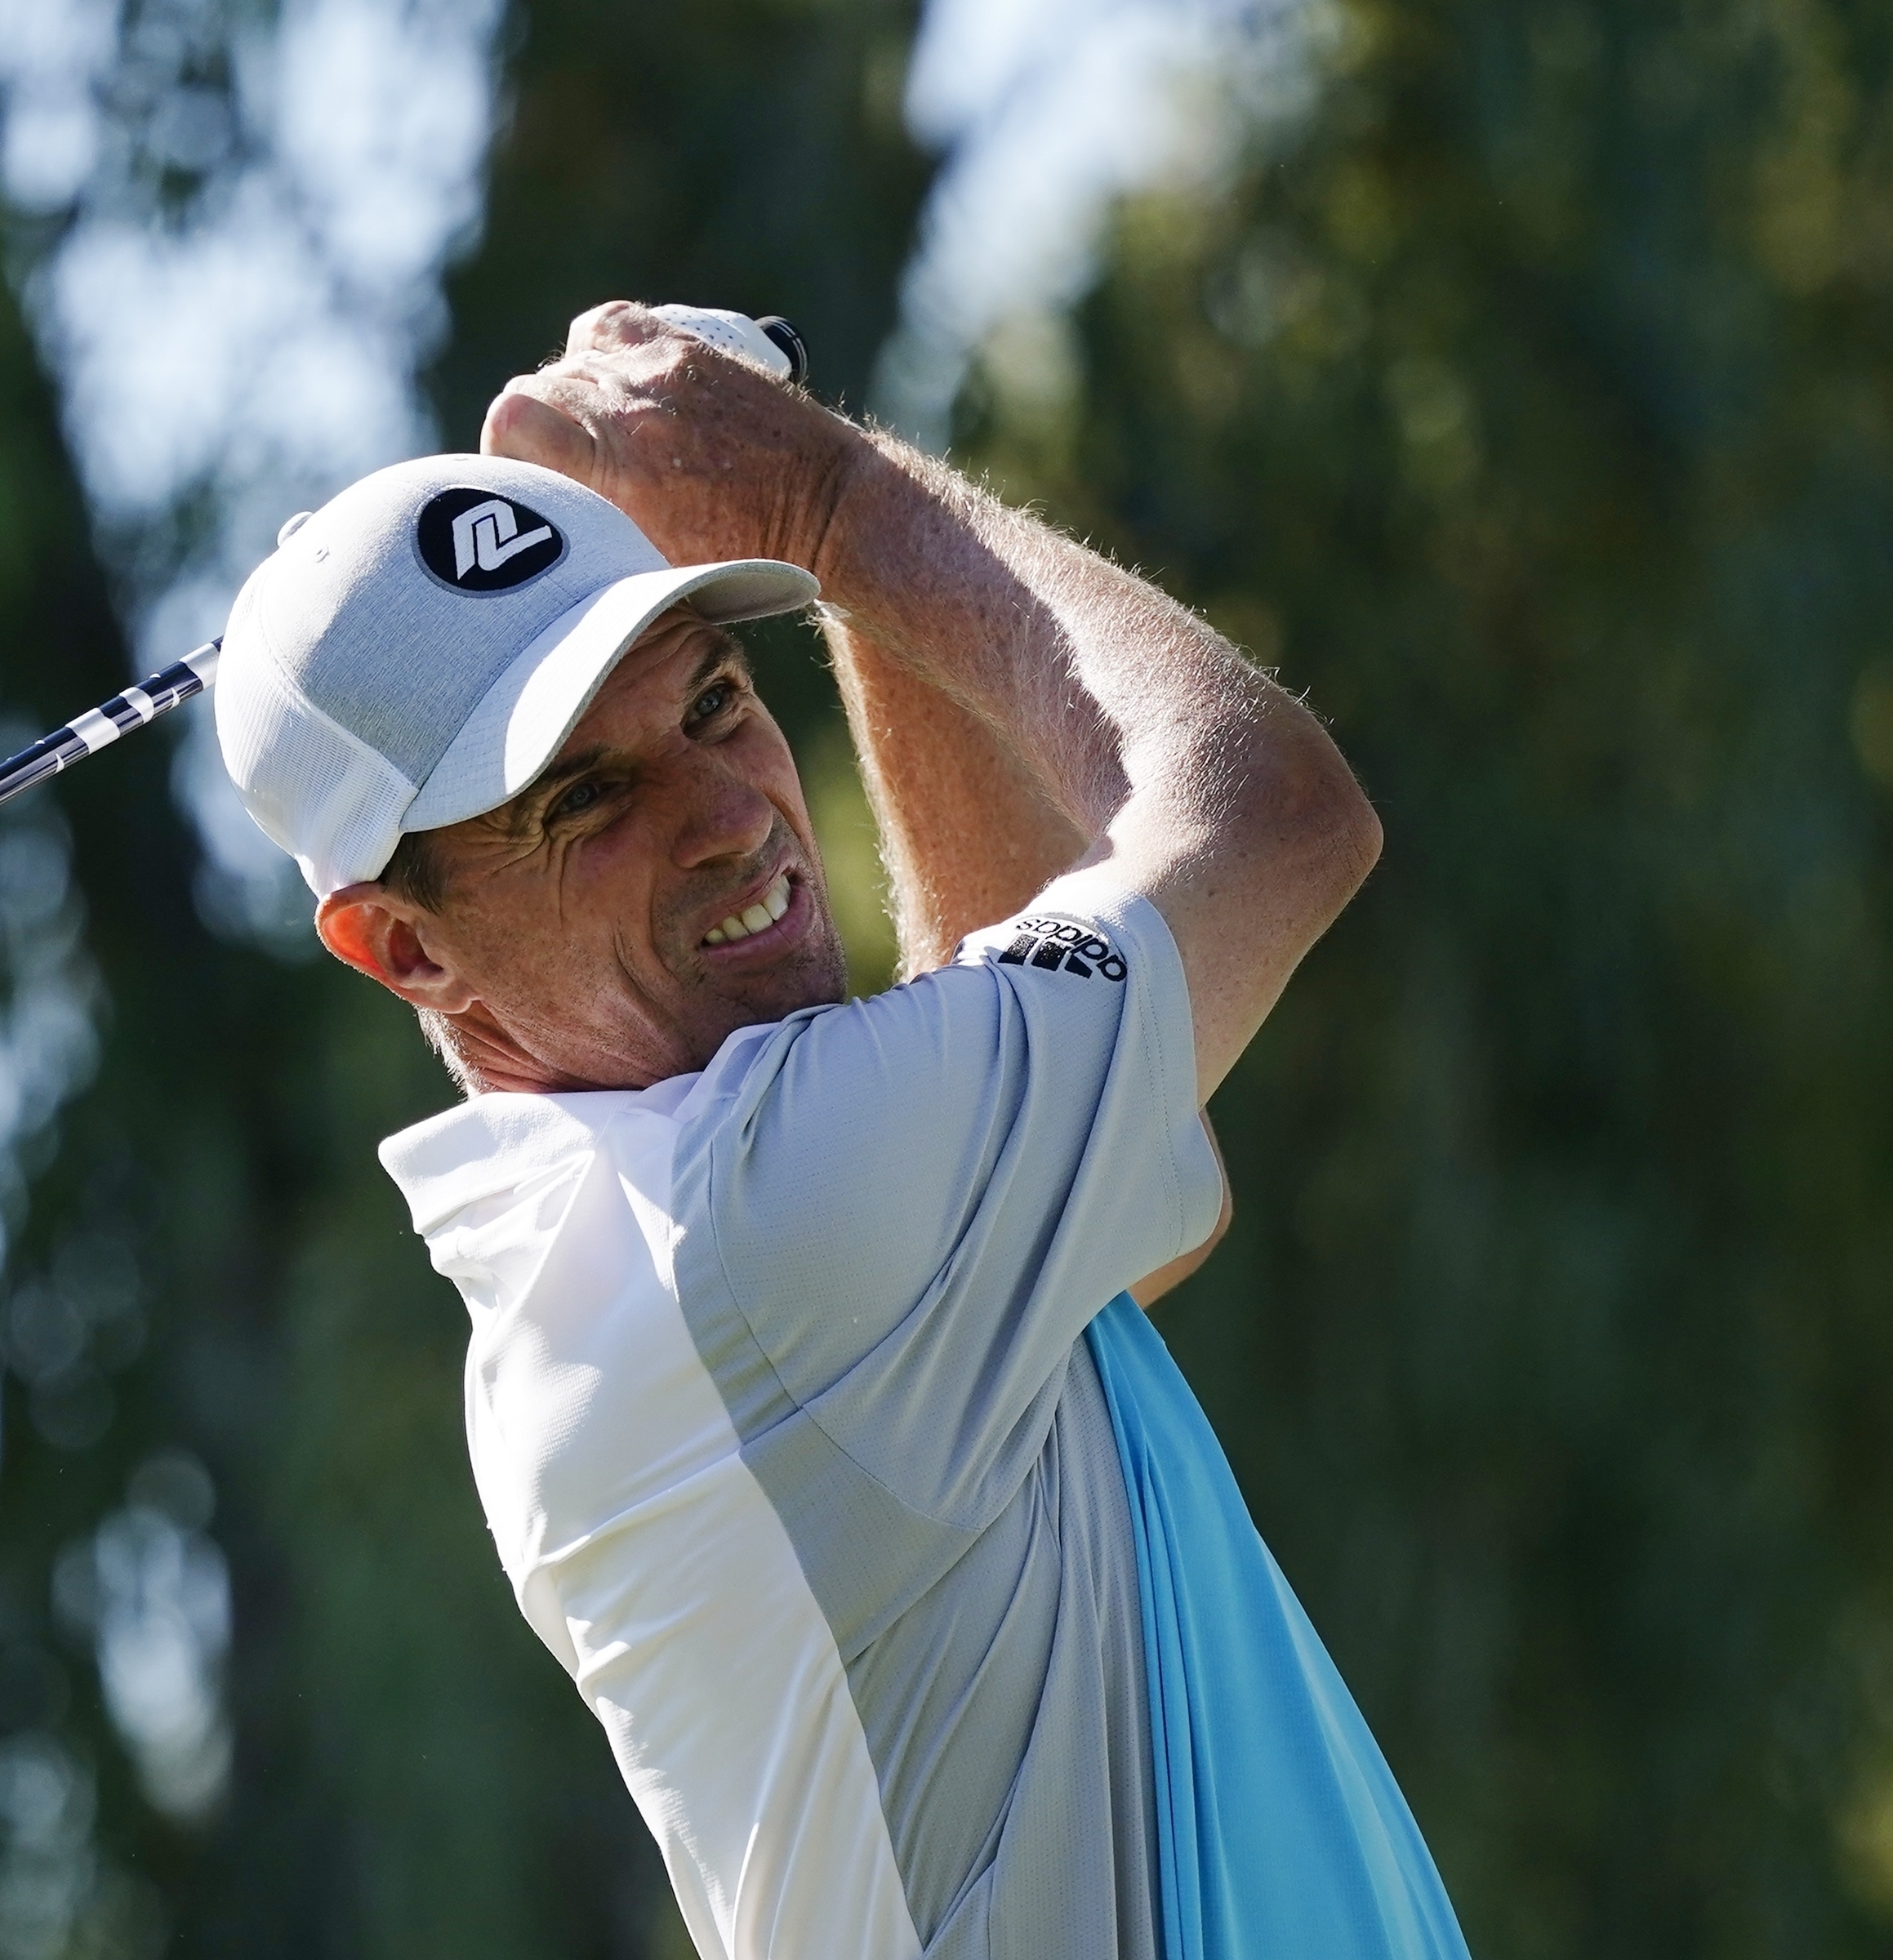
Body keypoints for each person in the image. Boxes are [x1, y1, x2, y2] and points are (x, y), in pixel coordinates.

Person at [208, 302, 1472, 1960]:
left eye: (720, 703)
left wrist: (844, 560)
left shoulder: (670, 1238)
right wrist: (821, 505)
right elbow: (1277, 815)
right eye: (586, 801)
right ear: (407, 946)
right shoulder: (753, 1225)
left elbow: (1123, 1216)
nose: (733, 818)